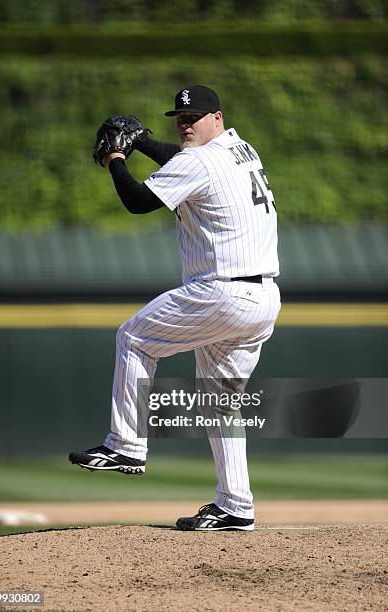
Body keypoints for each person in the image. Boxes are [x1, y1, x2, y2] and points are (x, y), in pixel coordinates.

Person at [69, 85, 281, 531]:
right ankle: (235, 506)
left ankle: (125, 445)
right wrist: (144, 140)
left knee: (134, 338)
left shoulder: (197, 160)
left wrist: (117, 160)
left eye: (196, 116)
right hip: (262, 298)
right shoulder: (240, 150)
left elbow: (138, 201)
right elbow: (182, 163)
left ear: (217, 117)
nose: (186, 123)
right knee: (220, 403)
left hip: (221, 292)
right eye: (180, 117)